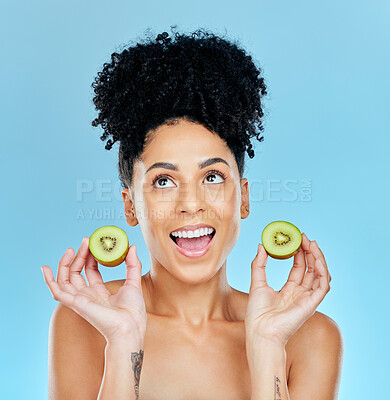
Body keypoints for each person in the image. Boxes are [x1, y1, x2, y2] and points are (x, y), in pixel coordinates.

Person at [41, 27, 344, 400]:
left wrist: (268, 345)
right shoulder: (87, 323)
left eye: (212, 176)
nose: (191, 203)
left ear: (244, 198)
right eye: (164, 181)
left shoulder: (309, 338)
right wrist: (122, 343)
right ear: (130, 206)